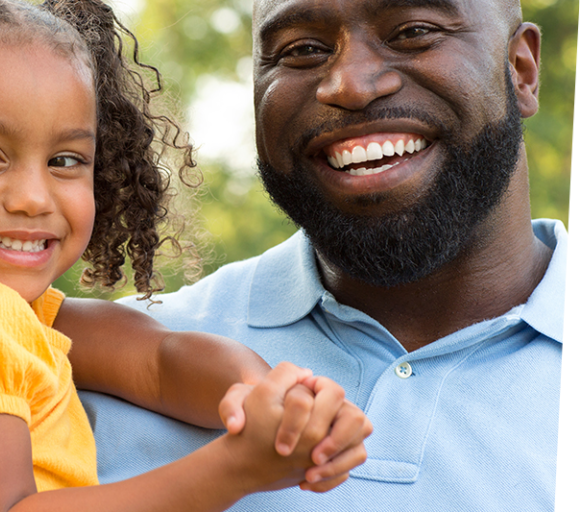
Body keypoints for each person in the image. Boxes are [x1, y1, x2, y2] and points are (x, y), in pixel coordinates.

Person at [0, 0, 375, 510]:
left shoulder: (4, 315)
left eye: (65, 160)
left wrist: (271, 401)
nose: (34, 198)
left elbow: (160, 362)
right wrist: (234, 468)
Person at [76, 0, 564, 510]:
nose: (349, 85)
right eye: (301, 49)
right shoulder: (68, 371)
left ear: (521, 70)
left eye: (414, 31)